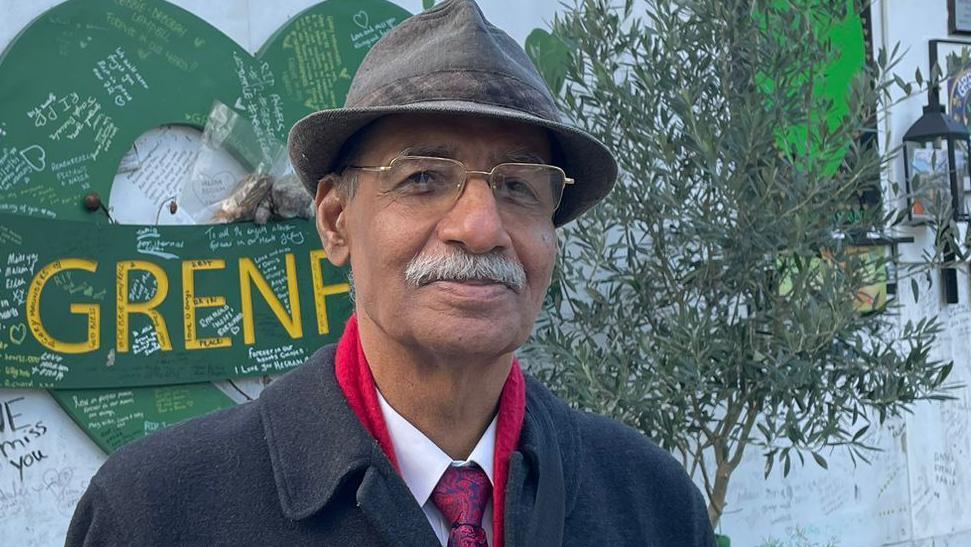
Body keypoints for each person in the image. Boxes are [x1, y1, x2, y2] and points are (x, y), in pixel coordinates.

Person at [66, 1, 715, 545]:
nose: (481, 226)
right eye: (424, 178)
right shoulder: (155, 513)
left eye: (517, 185)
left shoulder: (649, 504)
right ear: (335, 221)